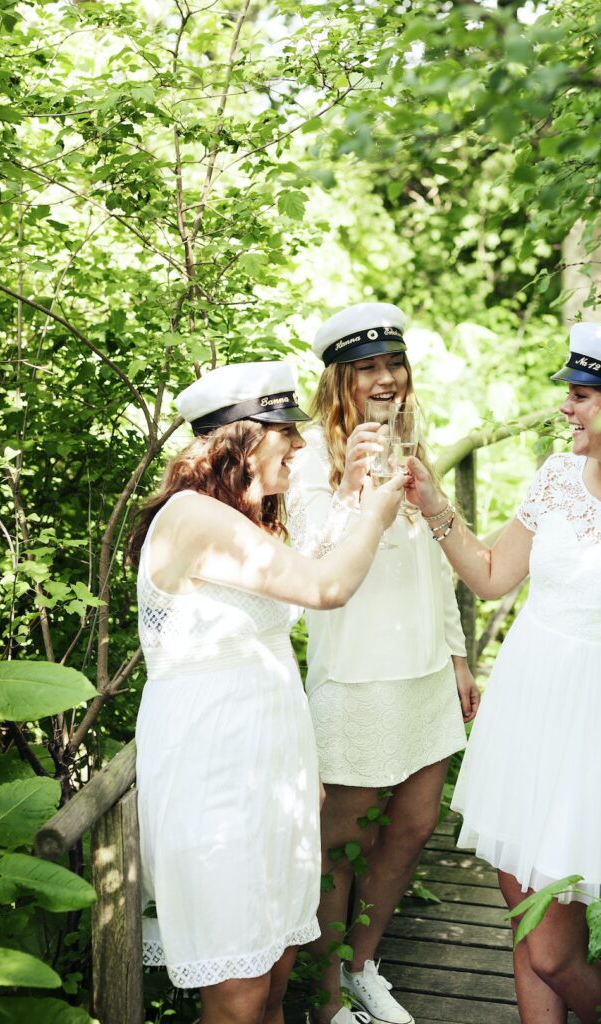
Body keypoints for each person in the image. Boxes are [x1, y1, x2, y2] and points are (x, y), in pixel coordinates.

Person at [406, 323, 601, 1024]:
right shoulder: (553, 478)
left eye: (579, 395)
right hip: (522, 708)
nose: (565, 409)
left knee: (554, 952)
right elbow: (491, 577)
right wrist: (433, 506)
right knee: (526, 924)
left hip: (598, 719)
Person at [127, 360, 404, 1024]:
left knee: (276, 976)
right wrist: (379, 513)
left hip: (269, 774)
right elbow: (323, 588)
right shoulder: (193, 515)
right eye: (285, 431)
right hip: (212, 774)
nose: (300, 445)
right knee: (240, 993)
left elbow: (300, 572)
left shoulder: (237, 524)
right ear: (240, 439)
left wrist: (353, 499)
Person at [286, 303, 480, 1024]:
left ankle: (364, 964)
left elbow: (432, 561)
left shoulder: (411, 442)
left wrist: (457, 656)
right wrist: (348, 489)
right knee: (344, 839)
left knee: (414, 825)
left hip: (425, 668)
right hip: (355, 674)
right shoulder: (306, 452)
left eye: (392, 364)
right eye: (366, 368)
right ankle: (328, 995)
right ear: (339, 379)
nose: (386, 379)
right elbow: (307, 565)